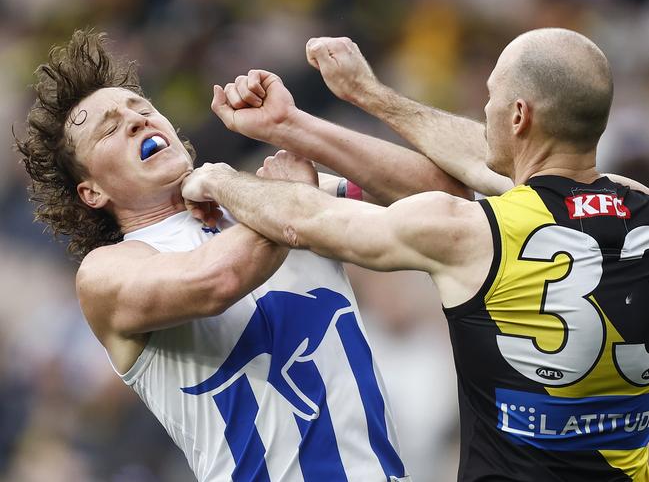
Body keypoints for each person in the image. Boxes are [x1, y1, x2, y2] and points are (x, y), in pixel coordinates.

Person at [182, 28, 649, 481]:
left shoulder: (471, 232)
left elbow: (306, 221)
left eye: (491, 97)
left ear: (519, 116)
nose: (483, 110)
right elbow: (482, 159)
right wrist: (351, 98)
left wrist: (219, 179)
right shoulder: (638, 203)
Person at [16, 29, 468, 482]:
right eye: (110, 128)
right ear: (91, 192)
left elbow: (442, 194)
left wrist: (293, 127)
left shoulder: (270, 198)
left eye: (143, 109)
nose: (138, 121)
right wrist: (287, 196)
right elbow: (219, 281)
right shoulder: (108, 272)